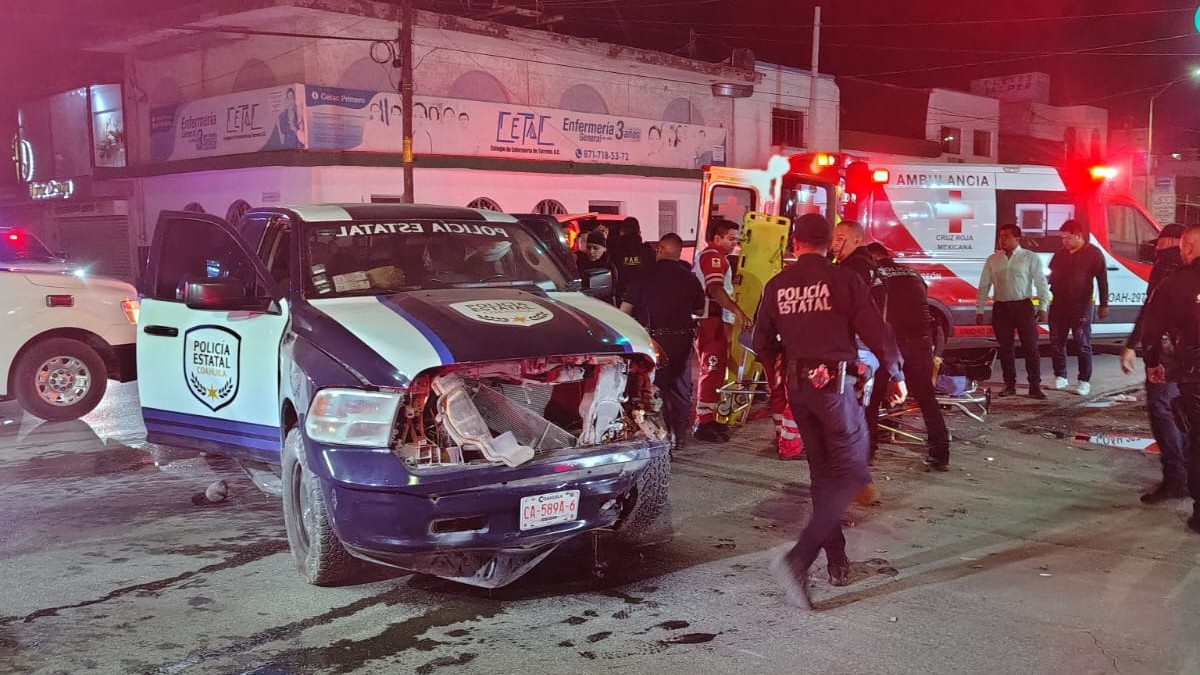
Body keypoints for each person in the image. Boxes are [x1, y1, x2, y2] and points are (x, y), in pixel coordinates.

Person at [753, 213, 906, 609]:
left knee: (824, 477)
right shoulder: (844, 281)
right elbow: (877, 331)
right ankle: (799, 559)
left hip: (800, 390)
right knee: (853, 471)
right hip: (835, 389)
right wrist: (897, 372)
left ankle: (836, 558)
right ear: (829, 243)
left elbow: (762, 342)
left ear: (794, 244)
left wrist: (776, 382)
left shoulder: (777, 284)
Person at [867, 243, 951, 471]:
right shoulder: (913, 274)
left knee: (872, 399)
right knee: (926, 398)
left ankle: (868, 452)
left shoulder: (876, 276)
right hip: (921, 342)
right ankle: (940, 452)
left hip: (891, 344)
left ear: (873, 258)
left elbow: (872, 312)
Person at [1121, 222, 1188, 504]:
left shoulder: (1165, 267)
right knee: (1185, 416)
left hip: (1166, 356)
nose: (1155, 246)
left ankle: (1176, 478)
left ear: (1171, 242)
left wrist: (1134, 347)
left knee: (1163, 414)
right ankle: (1186, 474)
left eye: (1159, 241)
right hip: (1190, 358)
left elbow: (1151, 311)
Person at [1140, 224, 1200, 534]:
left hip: (1190, 373)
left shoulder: (1173, 280)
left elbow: (1152, 327)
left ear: (1186, 247)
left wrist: (1152, 362)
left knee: (1195, 438)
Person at [620, 233, 705, 450]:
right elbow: (699, 309)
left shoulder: (643, 276)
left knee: (653, 387)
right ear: (678, 252)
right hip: (683, 339)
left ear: (659, 249)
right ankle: (680, 436)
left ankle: (660, 437)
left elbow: (625, 311)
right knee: (681, 388)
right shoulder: (690, 277)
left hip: (653, 341)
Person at [830, 220, 886, 504]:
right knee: (859, 412)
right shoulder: (870, 266)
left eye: (840, 238)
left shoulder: (853, 269)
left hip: (857, 349)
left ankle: (856, 481)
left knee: (850, 414)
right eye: (832, 238)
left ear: (855, 239)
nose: (834, 243)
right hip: (867, 348)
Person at [693, 219, 753, 442]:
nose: (734, 244)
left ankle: (709, 417)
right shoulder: (713, 257)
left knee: (716, 370)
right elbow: (715, 289)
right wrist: (739, 312)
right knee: (712, 367)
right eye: (730, 239)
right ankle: (703, 422)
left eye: (737, 240)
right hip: (710, 320)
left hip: (715, 320)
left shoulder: (719, 258)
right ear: (716, 238)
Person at [976, 223, 1050, 399]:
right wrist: (980, 309)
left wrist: (1043, 306)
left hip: (1023, 306)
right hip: (1002, 307)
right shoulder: (993, 259)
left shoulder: (1029, 257)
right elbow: (984, 285)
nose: (1002, 240)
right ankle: (1009, 384)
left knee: (1030, 347)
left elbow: (1041, 283)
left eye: (1006, 236)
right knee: (1006, 348)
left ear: (1017, 238)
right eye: (1001, 236)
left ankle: (1034, 385)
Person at [1047, 219, 1109, 397]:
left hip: (1081, 305)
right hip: (1059, 304)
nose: (1064, 241)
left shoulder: (1093, 254)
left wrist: (1103, 305)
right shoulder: (1060, 254)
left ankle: (1084, 381)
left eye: (1068, 237)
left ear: (1078, 236)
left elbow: (1102, 280)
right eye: (1062, 238)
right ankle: (1060, 376)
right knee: (1056, 342)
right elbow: (1051, 276)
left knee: (1082, 344)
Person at [609, 217, 654, 304]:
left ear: (621, 232)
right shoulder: (649, 252)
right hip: (644, 298)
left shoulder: (613, 252)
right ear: (639, 233)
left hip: (621, 299)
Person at [576, 229, 617, 300]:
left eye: (596, 248)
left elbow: (611, 293)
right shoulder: (578, 263)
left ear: (604, 249)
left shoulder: (610, 267)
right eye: (588, 247)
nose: (591, 251)